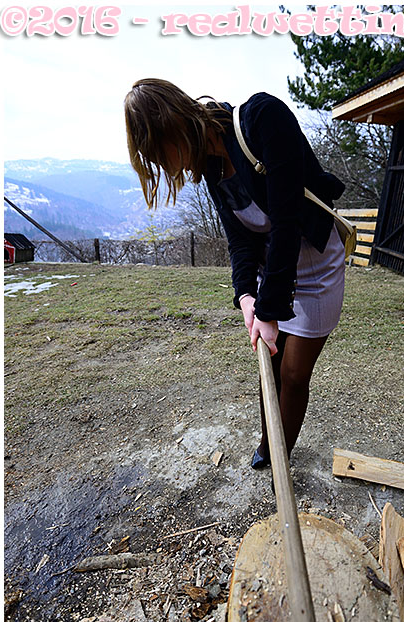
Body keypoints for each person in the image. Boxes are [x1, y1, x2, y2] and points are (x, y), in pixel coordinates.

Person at [124, 79, 346, 469]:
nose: (163, 166)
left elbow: (286, 219)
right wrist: (246, 295)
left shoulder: (263, 118)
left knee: (293, 373)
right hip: (272, 270)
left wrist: (268, 309)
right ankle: (269, 444)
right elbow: (240, 241)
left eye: (159, 154)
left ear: (173, 126)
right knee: (270, 364)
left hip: (314, 261)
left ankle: (283, 454)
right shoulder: (211, 165)